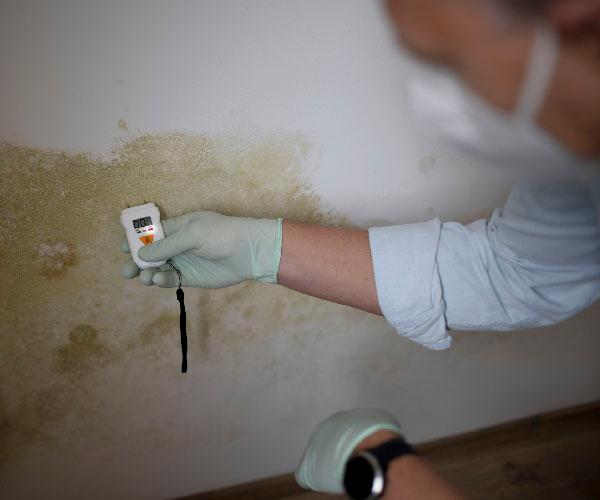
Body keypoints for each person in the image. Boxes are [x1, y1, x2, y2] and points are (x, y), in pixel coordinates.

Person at [121, 0, 600, 497]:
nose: (438, 98)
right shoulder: (574, 162)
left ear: (578, 17)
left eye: (446, 58)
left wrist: (380, 468)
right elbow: (517, 273)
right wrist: (263, 249)